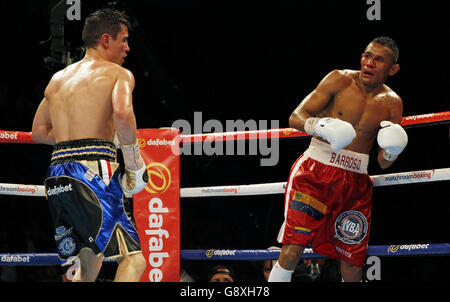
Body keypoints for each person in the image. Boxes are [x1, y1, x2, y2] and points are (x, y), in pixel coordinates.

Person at [268, 36, 407, 282]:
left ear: (393, 69)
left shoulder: (392, 104)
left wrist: (392, 151)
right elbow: (296, 116)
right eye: (367, 56)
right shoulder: (339, 79)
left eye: (378, 59)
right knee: (293, 250)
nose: (369, 63)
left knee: (353, 263)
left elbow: (383, 163)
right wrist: (320, 125)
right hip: (315, 172)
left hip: (355, 182)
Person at [31, 9, 148, 282]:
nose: (128, 48)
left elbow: (38, 132)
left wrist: (73, 137)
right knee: (134, 259)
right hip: (94, 170)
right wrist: (134, 163)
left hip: (58, 172)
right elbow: (122, 113)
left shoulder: (57, 80)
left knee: (88, 258)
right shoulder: (118, 74)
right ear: (106, 40)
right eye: (124, 40)